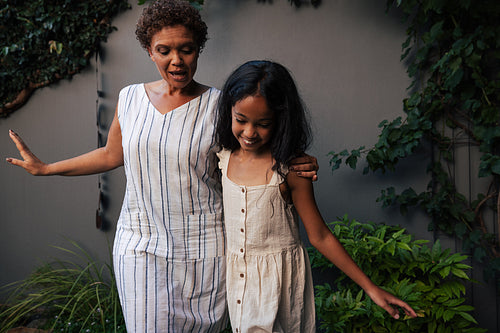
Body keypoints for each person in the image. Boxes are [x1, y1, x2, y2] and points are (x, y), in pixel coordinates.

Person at [5, 1, 318, 332]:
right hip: (141, 244)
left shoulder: (220, 105)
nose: (177, 60)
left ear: (198, 50)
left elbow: (254, 146)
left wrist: (297, 160)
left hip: (206, 249)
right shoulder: (130, 99)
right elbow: (112, 154)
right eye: (164, 50)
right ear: (149, 51)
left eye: (186, 49)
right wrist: (47, 168)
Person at [215, 60, 417, 332]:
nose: (249, 133)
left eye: (263, 124)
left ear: (281, 121)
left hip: (279, 286)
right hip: (237, 283)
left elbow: (319, 235)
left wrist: (371, 288)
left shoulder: (291, 170)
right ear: (229, 111)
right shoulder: (221, 158)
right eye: (241, 120)